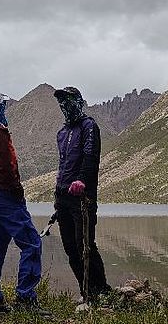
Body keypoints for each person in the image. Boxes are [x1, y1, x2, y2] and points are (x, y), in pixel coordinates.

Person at [0, 87, 45, 316]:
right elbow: (7, 168)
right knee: (32, 243)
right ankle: (26, 298)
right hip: (4, 195)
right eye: (3, 105)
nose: (5, 109)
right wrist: (18, 191)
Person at [52, 86, 112, 305]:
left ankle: (100, 291)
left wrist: (82, 180)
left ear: (78, 101)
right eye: (61, 102)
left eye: (68, 100)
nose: (64, 105)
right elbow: (62, 164)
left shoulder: (89, 126)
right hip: (63, 197)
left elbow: (91, 156)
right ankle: (86, 292)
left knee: (85, 245)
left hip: (82, 197)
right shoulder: (62, 132)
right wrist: (58, 193)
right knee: (70, 248)